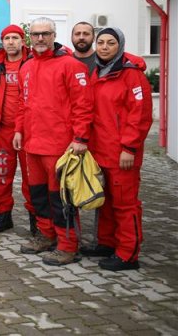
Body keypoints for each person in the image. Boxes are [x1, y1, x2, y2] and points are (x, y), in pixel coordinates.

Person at [13, 17, 93, 266]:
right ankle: (46, 236)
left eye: (45, 34)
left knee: (62, 199)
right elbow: (22, 104)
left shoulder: (70, 65)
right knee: (38, 197)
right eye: (35, 34)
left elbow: (84, 105)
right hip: (32, 145)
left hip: (60, 146)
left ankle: (68, 245)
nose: (39, 39)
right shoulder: (26, 67)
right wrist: (18, 131)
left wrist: (80, 138)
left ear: (54, 35)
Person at [84, 28, 152, 271]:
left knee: (125, 204)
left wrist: (129, 148)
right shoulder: (97, 72)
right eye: (100, 42)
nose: (104, 47)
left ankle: (128, 253)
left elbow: (140, 116)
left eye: (110, 43)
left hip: (122, 153)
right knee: (106, 202)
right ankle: (107, 243)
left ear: (119, 46)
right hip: (100, 150)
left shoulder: (132, 76)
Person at [0, 24, 35, 234]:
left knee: (33, 179)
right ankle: (4, 216)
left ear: (23, 41)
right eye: (7, 38)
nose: (11, 42)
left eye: (15, 38)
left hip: (29, 131)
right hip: (3, 130)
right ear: (2, 42)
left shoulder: (32, 62)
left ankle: (36, 219)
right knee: (1, 175)